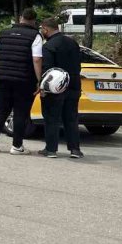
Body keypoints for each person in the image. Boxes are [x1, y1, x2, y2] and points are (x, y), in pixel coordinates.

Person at [0, 8, 43, 155]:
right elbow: (36, 59)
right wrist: (39, 80)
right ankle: (16, 146)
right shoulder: (35, 36)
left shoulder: (3, 34)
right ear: (34, 21)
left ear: (20, 18)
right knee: (20, 113)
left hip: (2, 79)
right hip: (24, 81)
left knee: (0, 111)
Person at [38, 17, 82, 159]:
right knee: (71, 118)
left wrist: (43, 88)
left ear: (46, 29)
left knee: (52, 118)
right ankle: (75, 149)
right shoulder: (73, 43)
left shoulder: (49, 46)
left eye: (42, 29)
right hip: (74, 84)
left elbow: (47, 69)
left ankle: (51, 149)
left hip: (55, 87)